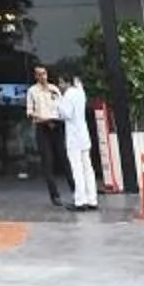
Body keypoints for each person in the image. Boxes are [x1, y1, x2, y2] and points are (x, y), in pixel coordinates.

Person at [24, 64, 70, 204]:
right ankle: (54, 195)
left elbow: (62, 107)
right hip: (42, 126)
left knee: (64, 158)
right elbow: (30, 112)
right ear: (35, 76)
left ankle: (76, 190)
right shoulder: (32, 91)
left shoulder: (54, 89)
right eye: (39, 74)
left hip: (56, 125)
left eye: (44, 73)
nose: (42, 76)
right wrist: (43, 119)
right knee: (47, 161)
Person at [57, 64, 98, 208]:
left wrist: (58, 103)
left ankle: (80, 201)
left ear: (67, 82)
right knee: (88, 168)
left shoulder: (67, 95)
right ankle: (92, 199)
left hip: (74, 136)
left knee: (77, 168)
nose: (60, 85)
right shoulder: (81, 92)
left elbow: (66, 114)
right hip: (83, 134)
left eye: (61, 82)